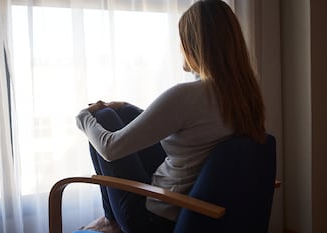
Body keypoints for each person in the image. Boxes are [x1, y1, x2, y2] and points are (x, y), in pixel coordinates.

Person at [75, 0, 266, 232]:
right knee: (122, 112)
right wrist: (125, 106)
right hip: (193, 204)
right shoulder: (245, 94)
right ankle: (110, 219)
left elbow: (110, 149)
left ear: (193, 44)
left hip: (154, 219)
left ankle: (111, 221)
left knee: (103, 117)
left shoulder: (187, 95)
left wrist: (83, 117)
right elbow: (190, 127)